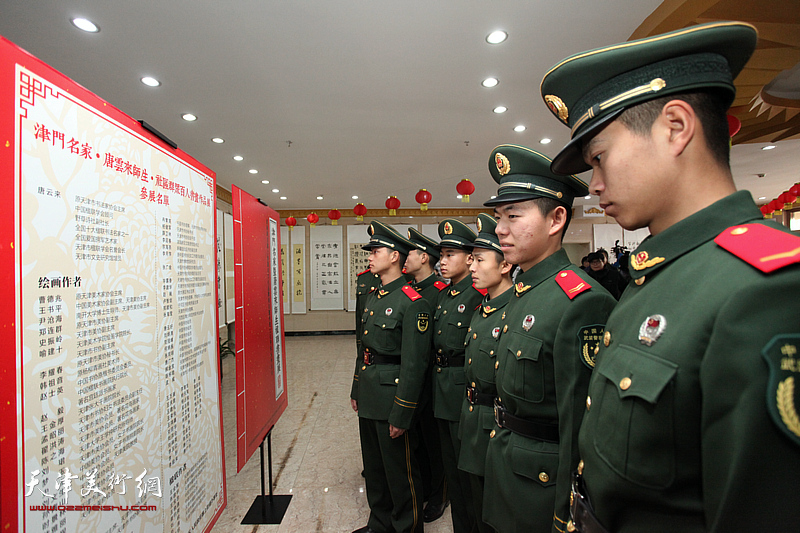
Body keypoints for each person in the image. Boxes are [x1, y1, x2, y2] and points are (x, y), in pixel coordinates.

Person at [540, 21, 800, 532]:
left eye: (599, 158)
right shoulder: (656, 275)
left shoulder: (766, 289)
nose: (593, 184)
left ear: (676, 128)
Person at [482, 144, 617, 533]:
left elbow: (581, 429)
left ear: (556, 219)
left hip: (543, 491)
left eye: (513, 216)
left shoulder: (581, 302)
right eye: (498, 217)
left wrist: (567, 516)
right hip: (510, 466)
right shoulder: (526, 288)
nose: (500, 230)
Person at [351, 221, 433, 533]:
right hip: (371, 392)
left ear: (396, 256)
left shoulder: (413, 303)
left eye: (376, 251)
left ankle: (407, 527)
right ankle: (380, 522)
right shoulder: (374, 296)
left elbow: (415, 365)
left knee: (400, 470)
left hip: (392, 398)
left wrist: (403, 411)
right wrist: (357, 388)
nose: (370, 256)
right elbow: (364, 349)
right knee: (375, 468)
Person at [457, 213, 513, 533]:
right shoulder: (483, 309)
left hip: (497, 427)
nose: (472, 267)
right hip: (474, 421)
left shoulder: (515, 309)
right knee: (475, 506)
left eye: (479, 259)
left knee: (496, 515)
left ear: (504, 265)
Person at [433, 219, 484, 533]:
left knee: (470, 479)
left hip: (464, 395)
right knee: (453, 475)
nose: (442, 261)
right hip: (444, 392)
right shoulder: (446, 295)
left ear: (469, 259)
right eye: (441, 254)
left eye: (450, 254)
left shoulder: (478, 297)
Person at [406, 227, 449, 522]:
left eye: (410, 252)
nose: (405, 258)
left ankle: (439, 495)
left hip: (434, 378)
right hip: (412, 378)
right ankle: (421, 488)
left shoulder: (439, 292)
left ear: (424, 257)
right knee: (416, 438)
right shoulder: (410, 291)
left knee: (436, 442)